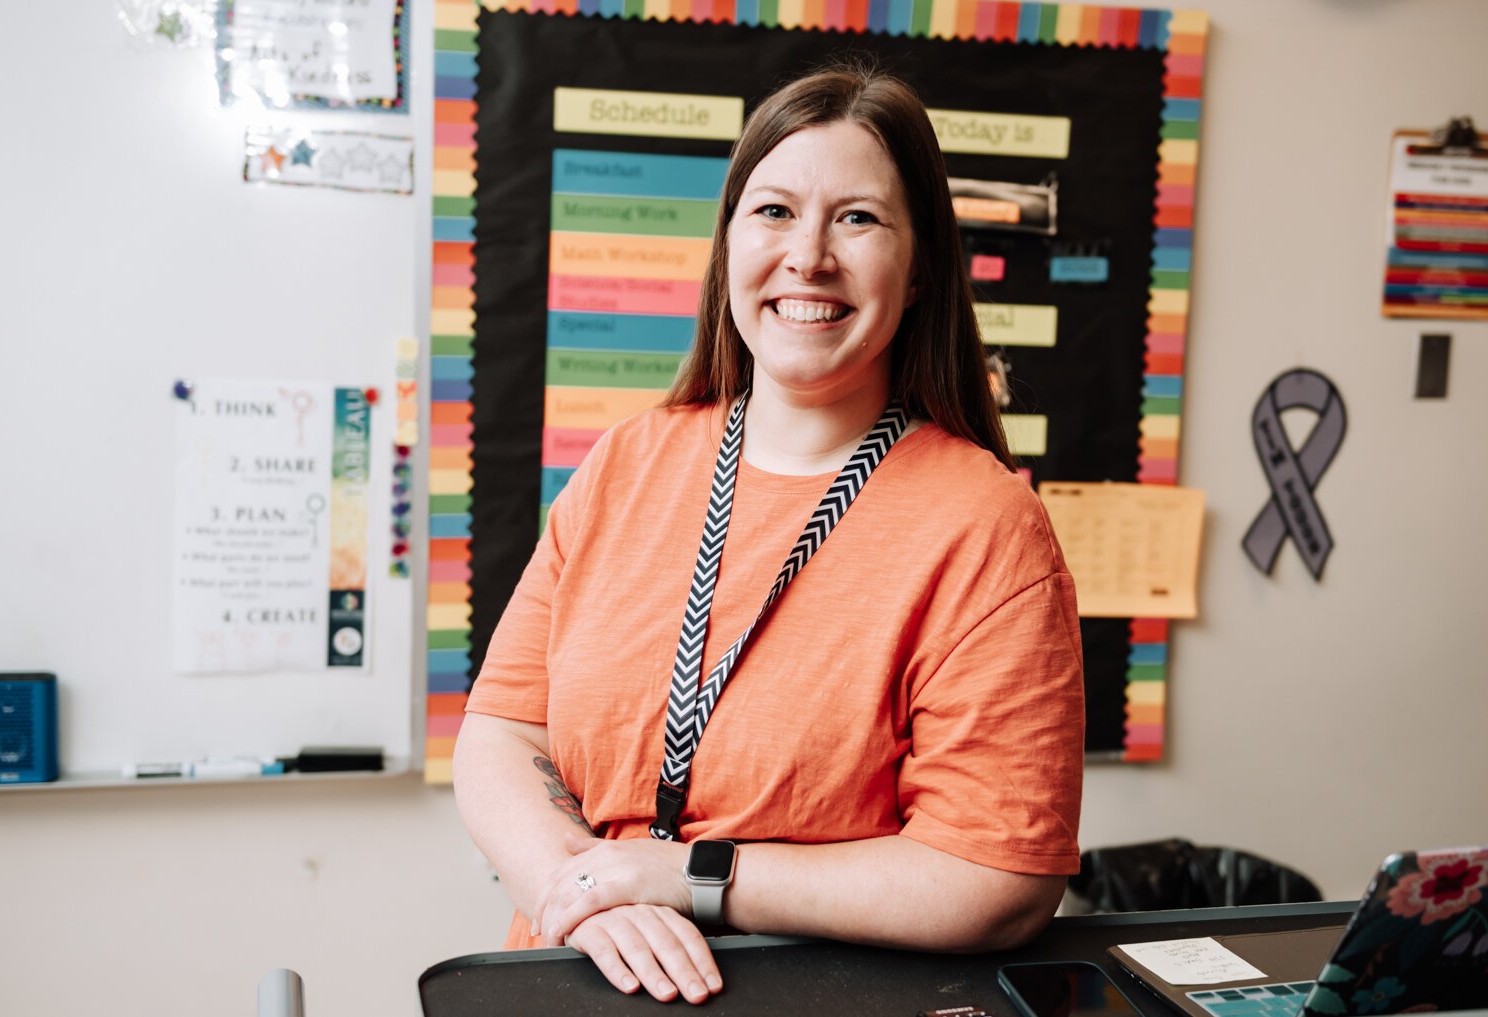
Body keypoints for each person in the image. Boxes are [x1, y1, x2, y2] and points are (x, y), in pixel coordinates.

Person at [454, 62, 1085, 1006]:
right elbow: (502, 728)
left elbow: (996, 877)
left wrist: (685, 876)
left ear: (918, 272)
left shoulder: (987, 527)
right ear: (729, 243)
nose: (809, 257)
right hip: (569, 979)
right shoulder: (628, 462)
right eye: (775, 211)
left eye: (859, 218)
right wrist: (578, 888)